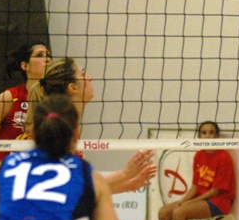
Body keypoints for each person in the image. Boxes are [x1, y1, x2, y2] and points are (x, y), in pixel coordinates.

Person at [33, 58, 156, 194]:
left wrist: (127, 185)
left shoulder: (70, 124)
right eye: (83, 74)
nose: (90, 77)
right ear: (73, 88)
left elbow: (77, 189)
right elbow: (66, 187)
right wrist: (125, 174)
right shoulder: (59, 129)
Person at [0, 41, 52, 190]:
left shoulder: (55, 101)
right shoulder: (9, 97)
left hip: (35, 183)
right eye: (40, 55)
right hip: (2, 181)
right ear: (25, 66)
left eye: (48, 55)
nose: (47, 59)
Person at [156, 120, 236, 220]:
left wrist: (189, 203)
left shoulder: (223, 157)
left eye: (211, 133)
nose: (208, 136)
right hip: (201, 200)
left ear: (217, 136)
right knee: (163, 213)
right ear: (199, 136)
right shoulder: (199, 155)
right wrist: (183, 200)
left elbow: (216, 191)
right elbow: (195, 186)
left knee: (179, 213)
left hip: (219, 202)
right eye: (204, 133)